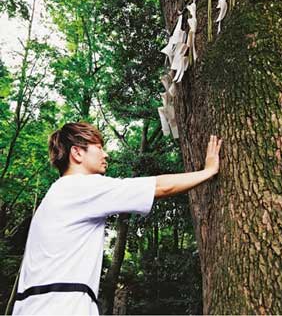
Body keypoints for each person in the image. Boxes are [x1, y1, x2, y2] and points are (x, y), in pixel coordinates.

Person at [12, 122, 222, 316]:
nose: (106, 154)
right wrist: (208, 171)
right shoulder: (81, 186)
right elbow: (159, 186)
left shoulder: (55, 194)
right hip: (61, 308)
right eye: (99, 148)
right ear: (77, 153)